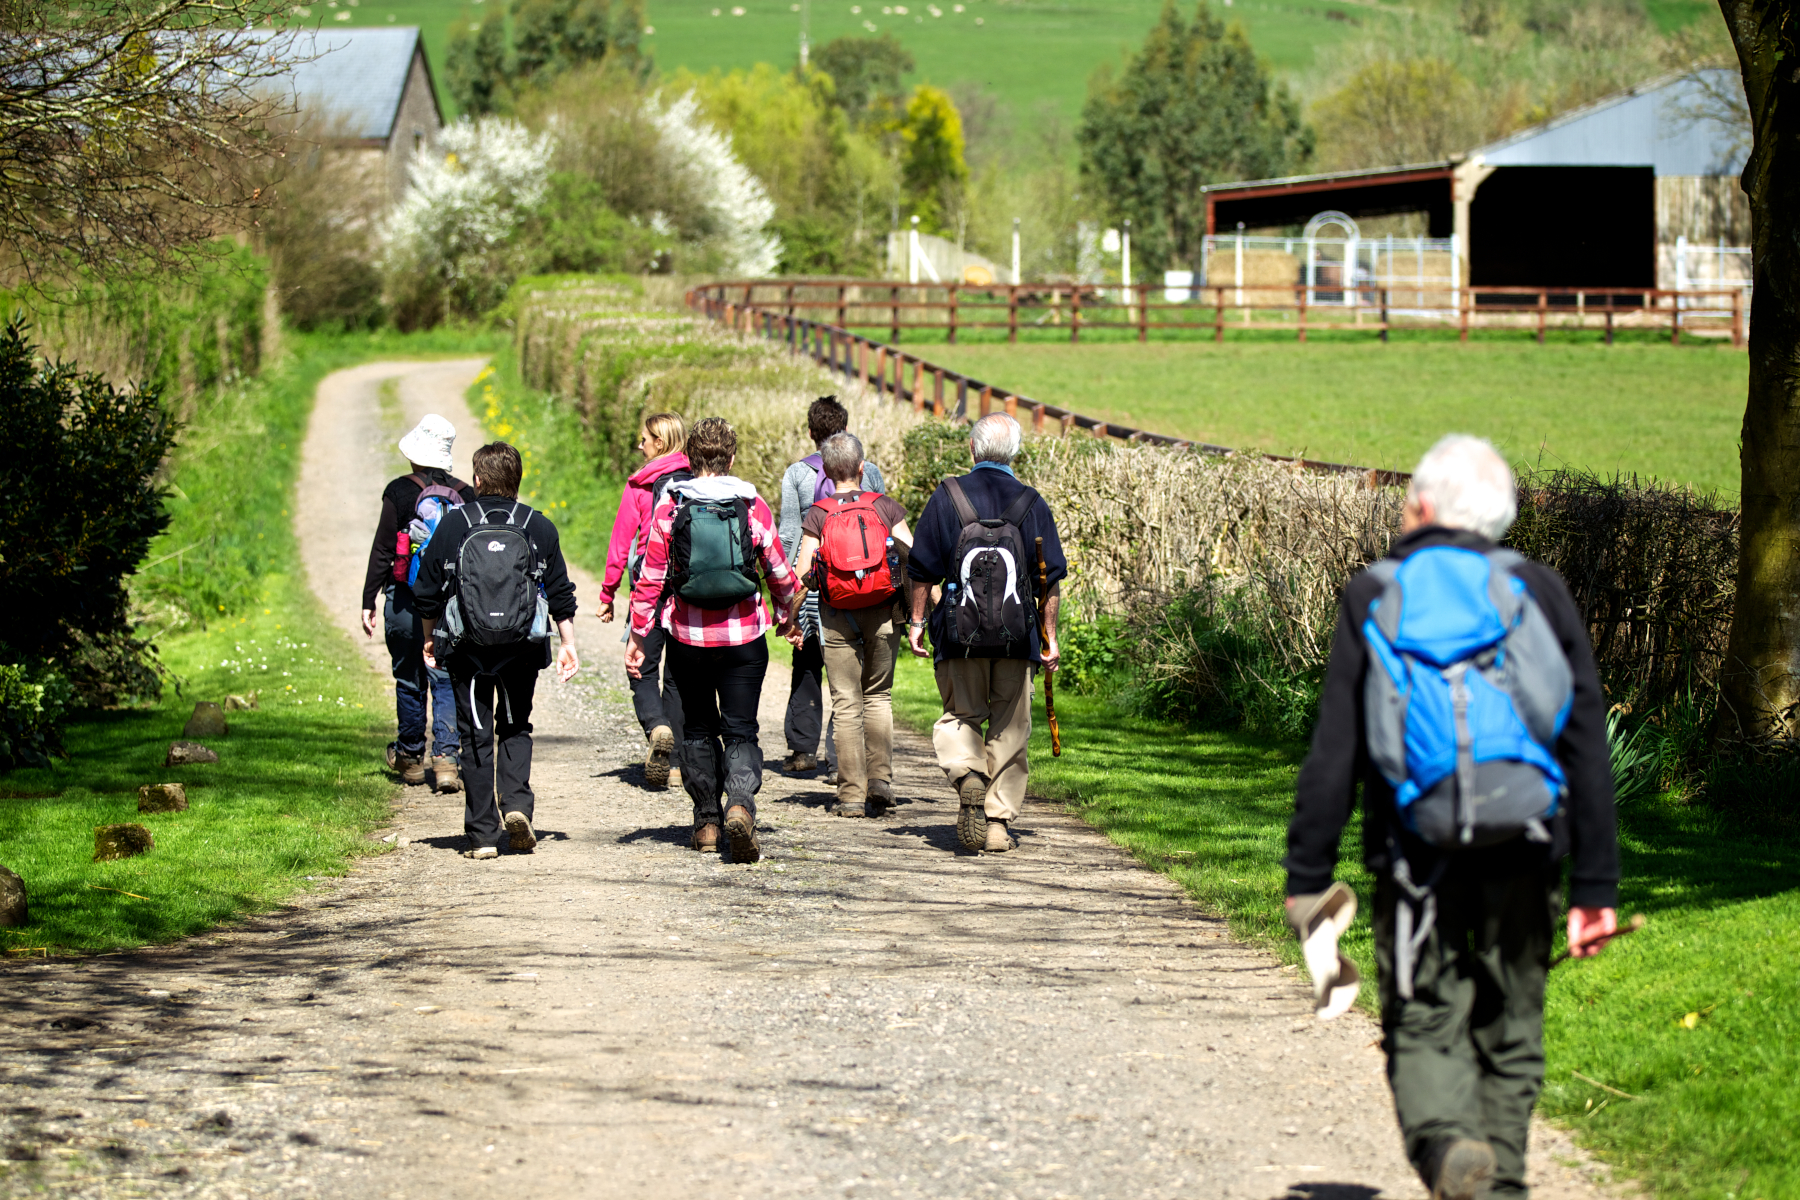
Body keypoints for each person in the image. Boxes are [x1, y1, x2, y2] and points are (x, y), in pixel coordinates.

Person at [1283, 434, 1619, 1200]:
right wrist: (1596, 885)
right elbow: (1584, 738)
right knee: (1511, 1024)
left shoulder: (1376, 592)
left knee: (1424, 1016)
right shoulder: (1541, 589)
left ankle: (1445, 1146)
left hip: (1415, 852)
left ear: (1425, 506)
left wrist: (1308, 873)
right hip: (1529, 844)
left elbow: (1337, 749)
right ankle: (1501, 1187)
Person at [627, 417, 801, 863]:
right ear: (732, 457)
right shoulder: (751, 503)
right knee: (741, 728)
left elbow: (650, 578)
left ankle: (706, 822)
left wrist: (639, 634)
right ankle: (740, 804)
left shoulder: (671, 505)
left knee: (699, 728)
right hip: (744, 637)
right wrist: (785, 615)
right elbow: (779, 571)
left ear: (690, 459)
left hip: (687, 638)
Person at [905, 413, 1065, 854]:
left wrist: (917, 623)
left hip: (959, 636)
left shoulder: (947, 497)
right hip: (1019, 640)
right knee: (1011, 728)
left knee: (961, 715)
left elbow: (920, 569)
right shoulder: (1031, 502)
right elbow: (1050, 578)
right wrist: (1049, 636)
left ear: (972, 450)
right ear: (1014, 453)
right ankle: (996, 825)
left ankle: (967, 773)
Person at [415, 442, 580, 860]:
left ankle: (484, 835)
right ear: (518, 482)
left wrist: (429, 636)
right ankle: (518, 805)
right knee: (515, 724)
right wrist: (568, 643)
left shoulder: (454, 525)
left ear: (477, 480)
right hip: (522, 647)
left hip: (467, 649)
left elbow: (428, 591)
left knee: (474, 736)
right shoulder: (538, 526)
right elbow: (560, 592)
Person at [792, 432, 912, 819]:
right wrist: (920, 615)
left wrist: (791, 617)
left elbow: (802, 572)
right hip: (883, 609)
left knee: (846, 702)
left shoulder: (819, 513)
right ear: (863, 468)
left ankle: (849, 796)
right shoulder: (886, 507)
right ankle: (880, 782)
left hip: (836, 612)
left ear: (826, 471)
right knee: (878, 696)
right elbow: (913, 557)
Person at [360, 414, 478, 793]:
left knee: (408, 677)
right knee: (445, 677)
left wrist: (368, 599)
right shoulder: (466, 494)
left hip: (404, 600)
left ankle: (410, 757)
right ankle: (446, 760)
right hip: (448, 605)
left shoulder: (399, 491)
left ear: (414, 456)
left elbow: (383, 549)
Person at [777, 396, 885, 777]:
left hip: (813, 585)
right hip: (859, 585)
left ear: (810, 432)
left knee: (806, 662)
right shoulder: (866, 470)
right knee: (850, 668)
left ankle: (802, 749)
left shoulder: (797, 474)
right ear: (846, 430)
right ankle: (840, 755)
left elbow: (790, 534)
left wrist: (785, 590)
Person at [599, 413, 692, 791]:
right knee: (677, 675)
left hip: (649, 588)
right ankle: (676, 765)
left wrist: (608, 592)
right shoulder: (695, 480)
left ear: (659, 442)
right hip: (687, 588)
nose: (640, 447)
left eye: (644, 440)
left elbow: (622, 543)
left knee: (640, 665)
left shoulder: (640, 485)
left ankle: (657, 726)